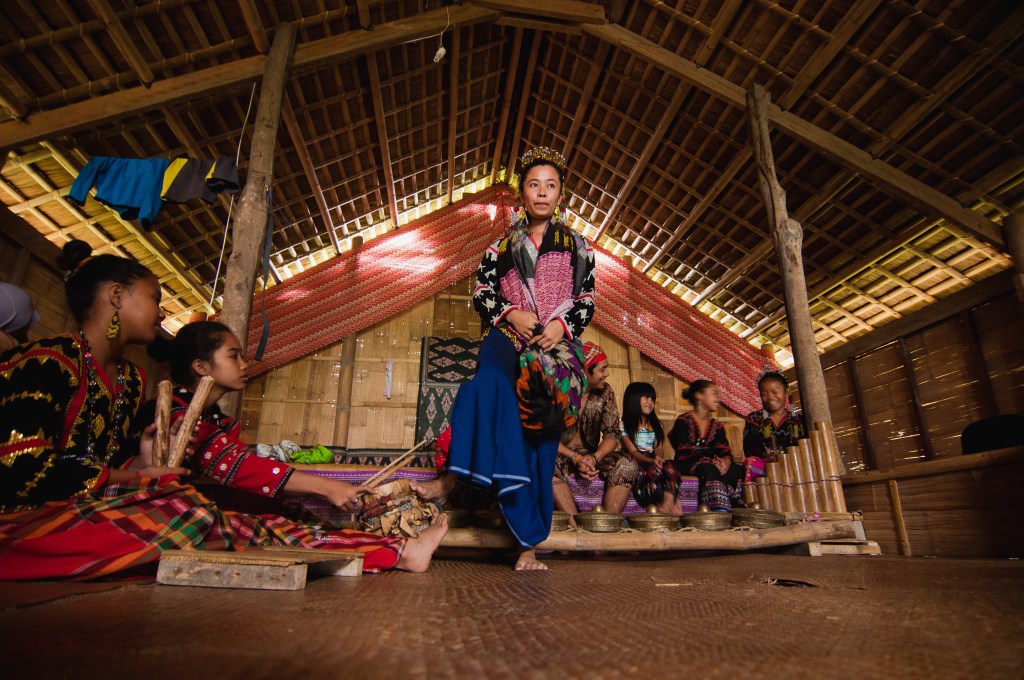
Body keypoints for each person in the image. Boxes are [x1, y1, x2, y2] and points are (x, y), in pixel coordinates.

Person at [0, 240, 438, 580]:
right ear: (116, 295)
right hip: (31, 518)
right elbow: (21, 471)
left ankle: (390, 552)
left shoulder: (130, 379)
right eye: (154, 296)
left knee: (222, 515)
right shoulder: (48, 360)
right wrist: (139, 477)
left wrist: (142, 465)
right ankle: (388, 553)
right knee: (191, 512)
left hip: (105, 507)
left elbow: (114, 466)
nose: (161, 311)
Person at [414, 146, 596, 570]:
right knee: (484, 385)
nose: (542, 192)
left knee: (537, 433)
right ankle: (451, 480)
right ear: (522, 193)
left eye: (550, 185)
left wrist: (560, 327)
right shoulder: (500, 246)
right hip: (508, 335)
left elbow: (587, 298)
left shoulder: (579, 245)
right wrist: (511, 314)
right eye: (534, 184)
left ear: (560, 194)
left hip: (554, 346)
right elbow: (482, 294)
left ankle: (527, 546)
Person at [162, 320, 448, 569]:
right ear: (201, 366)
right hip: (177, 515)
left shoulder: (212, 419)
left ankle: (390, 549)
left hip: (201, 505)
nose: (244, 365)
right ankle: (404, 553)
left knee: (300, 518)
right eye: (233, 356)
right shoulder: (177, 414)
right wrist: (327, 487)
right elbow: (237, 467)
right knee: (281, 532)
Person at [553, 341, 637, 518]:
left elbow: (612, 434)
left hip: (591, 456)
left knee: (627, 463)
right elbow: (544, 436)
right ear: (585, 370)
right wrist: (575, 458)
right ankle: (575, 527)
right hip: (559, 454)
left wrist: (594, 457)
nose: (607, 374)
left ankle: (606, 523)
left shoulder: (605, 392)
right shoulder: (559, 389)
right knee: (544, 459)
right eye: (602, 369)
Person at [668, 380, 744, 511]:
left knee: (736, 469)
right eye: (714, 394)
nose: (718, 399)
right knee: (708, 468)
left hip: (711, 463)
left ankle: (737, 506)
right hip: (688, 463)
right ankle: (718, 508)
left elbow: (724, 451)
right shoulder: (683, 421)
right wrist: (710, 460)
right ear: (699, 395)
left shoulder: (717, 425)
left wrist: (725, 461)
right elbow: (683, 453)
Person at [620, 382, 681, 515]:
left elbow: (658, 448)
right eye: (646, 397)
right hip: (636, 460)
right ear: (633, 399)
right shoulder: (624, 425)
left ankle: (668, 503)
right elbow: (633, 451)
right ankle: (662, 505)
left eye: (652, 399)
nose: (650, 402)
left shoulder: (656, 424)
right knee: (649, 473)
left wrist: (658, 458)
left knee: (671, 466)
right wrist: (650, 461)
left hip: (652, 459)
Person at [742, 367, 806, 483]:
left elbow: (803, 448)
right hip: (765, 467)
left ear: (786, 392)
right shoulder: (754, 418)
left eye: (775, 392)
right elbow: (749, 449)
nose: (770, 398)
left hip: (793, 466)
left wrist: (784, 459)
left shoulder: (798, 420)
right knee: (751, 463)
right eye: (764, 394)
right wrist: (769, 458)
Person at [0, 282, 39, 352]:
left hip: (15, 315)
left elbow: (8, 345)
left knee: (11, 348)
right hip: (19, 299)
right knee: (21, 341)